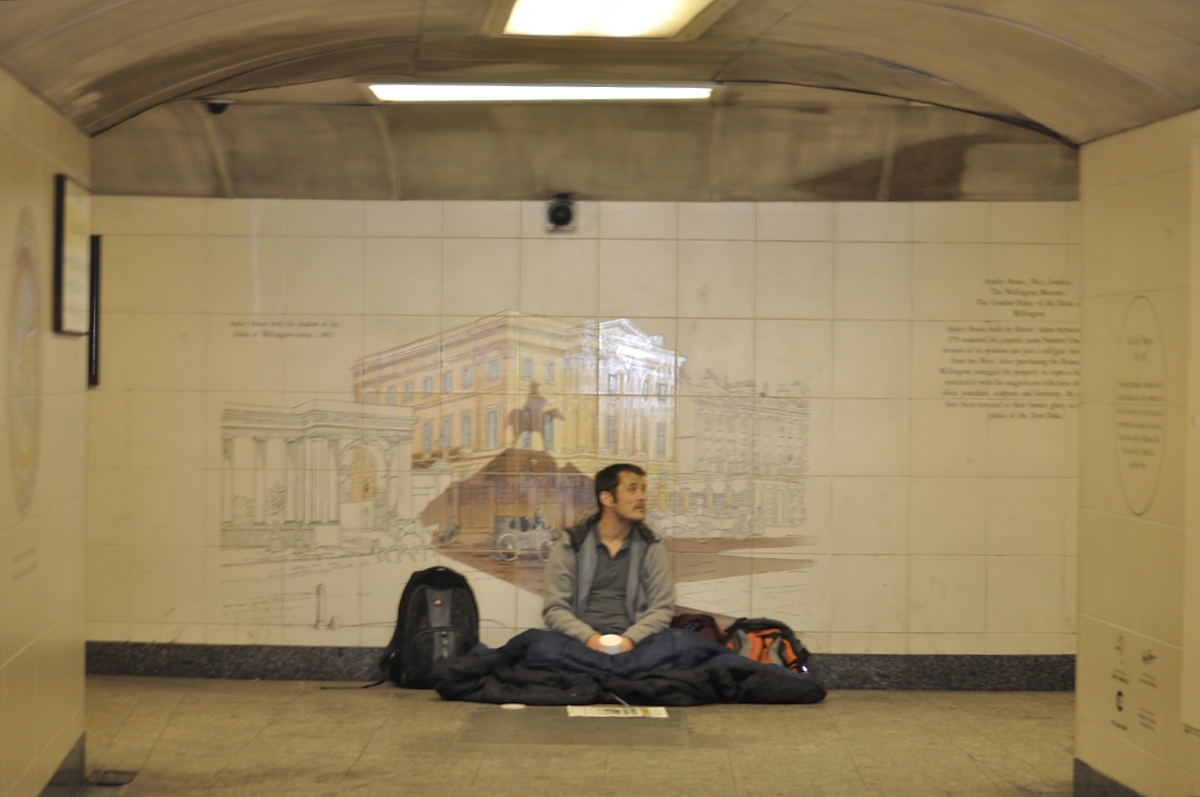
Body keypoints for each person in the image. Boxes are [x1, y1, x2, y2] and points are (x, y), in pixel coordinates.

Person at [542, 463, 675, 653]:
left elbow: (662, 609)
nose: (642, 497)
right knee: (533, 646)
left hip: (635, 646)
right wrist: (590, 639)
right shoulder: (571, 543)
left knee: (691, 646)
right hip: (579, 643)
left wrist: (630, 640)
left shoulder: (651, 546)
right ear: (607, 498)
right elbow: (555, 609)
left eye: (643, 489)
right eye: (632, 490)